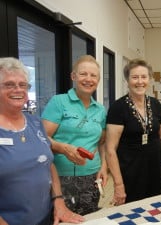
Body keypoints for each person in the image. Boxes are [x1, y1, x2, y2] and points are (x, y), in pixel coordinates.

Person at [0, 57, 84, 225]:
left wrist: (59, 201)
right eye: (9, 84)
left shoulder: (35, 122)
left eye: (23, 85)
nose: (18, 89)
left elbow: (48, 163)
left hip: (46, 218)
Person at [41, 55, 107, 215]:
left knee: (89, 217)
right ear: (73, 76)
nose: (88, 79)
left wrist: (104, 166)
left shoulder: (100, 109)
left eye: (93, 75)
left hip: (91, 176)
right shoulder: (59, 102)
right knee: (62, 218)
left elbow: (102, 142)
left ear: (98, 80)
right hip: (61, 177)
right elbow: (41, 139)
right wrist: (63, 148)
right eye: (83, 74)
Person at [105, 59, 161, 205]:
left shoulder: (155, 104)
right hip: (130, 170)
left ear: (149, 79)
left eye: (144, 77)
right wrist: (118, 184)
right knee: (131, 211)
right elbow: (110, 149)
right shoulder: (118, 108)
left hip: (156, 167)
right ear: (127, 80)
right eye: (135, 77)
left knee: (154, 207)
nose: (140, 81)